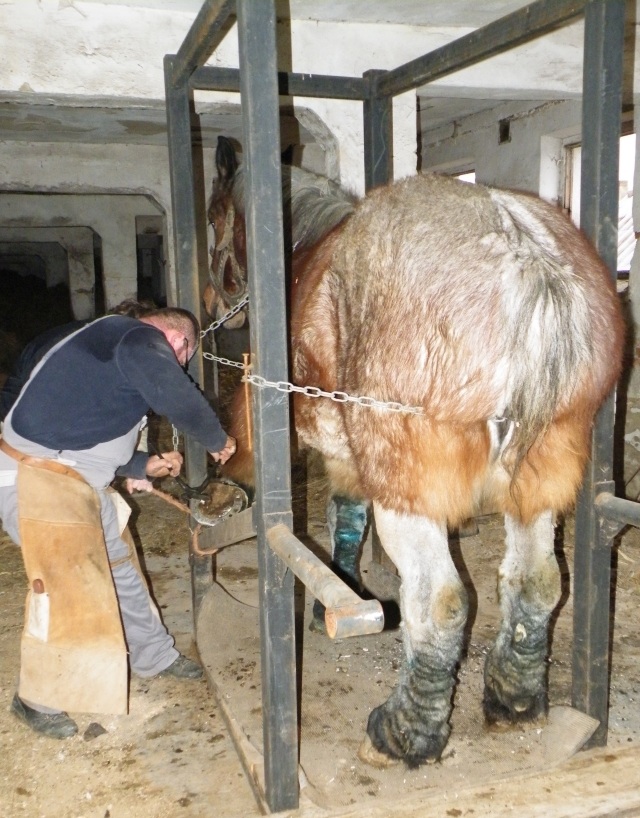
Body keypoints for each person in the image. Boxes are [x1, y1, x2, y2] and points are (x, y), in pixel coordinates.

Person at [0, 306, 236, 739]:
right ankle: (35, 699)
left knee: (121, 569)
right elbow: (173, 392)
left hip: (72, 480)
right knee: (66, 585)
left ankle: (154, 656)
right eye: (183, 360)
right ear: (178, 342)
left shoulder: (112, 357)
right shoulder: (134, 337)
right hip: (39, 481)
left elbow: (89, 435)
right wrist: (217, 439)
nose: (178, 367)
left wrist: (142, 465)